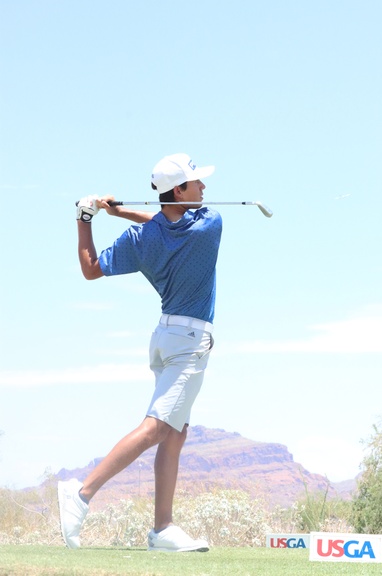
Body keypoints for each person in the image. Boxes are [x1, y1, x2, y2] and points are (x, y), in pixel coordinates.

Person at [58, 153, 223, 552]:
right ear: (179, 190)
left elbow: (91, 268)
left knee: (176, 432)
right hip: (188, 343)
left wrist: (87, 219)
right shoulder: (211, 223)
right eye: (196, 182)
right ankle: (81, 493)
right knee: (159, 428)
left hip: (164, 338)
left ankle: (162, 529)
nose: (204, 187)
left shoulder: (141, 239)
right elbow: (172, 224)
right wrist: (123, 212)